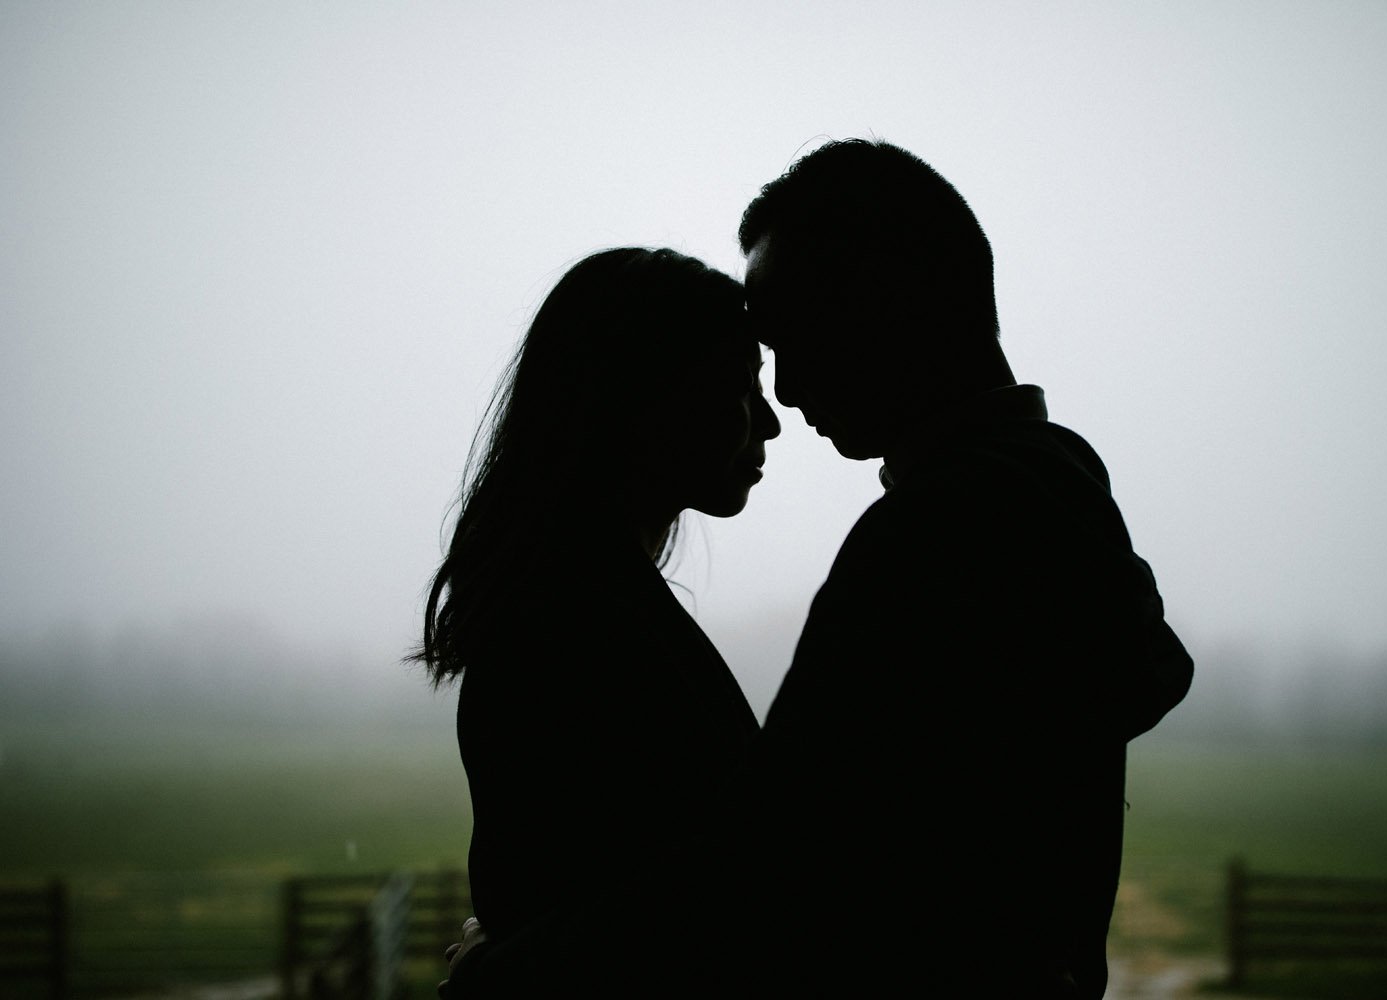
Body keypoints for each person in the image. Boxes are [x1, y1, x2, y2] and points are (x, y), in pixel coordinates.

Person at [443, 141, 1193, 997]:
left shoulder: (932, 534)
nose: (786, 399)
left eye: (789, 340)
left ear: (882, 305)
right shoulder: (1051, 483)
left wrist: (500, 980)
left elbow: (772, 874)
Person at [411, 247, 779, 986]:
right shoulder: (571, 626)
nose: (769, 422)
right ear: (642, 400)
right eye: (738, 386)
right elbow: (673, 911)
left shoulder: (576, 603)